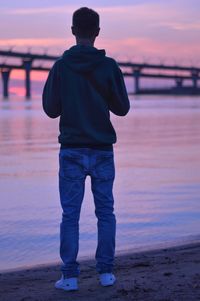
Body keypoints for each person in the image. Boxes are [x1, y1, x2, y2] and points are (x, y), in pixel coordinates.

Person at [42, 7, 130, 291]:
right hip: (102, 149)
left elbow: (50, 109)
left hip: (72, 151)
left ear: (72, 30)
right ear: (98, 32)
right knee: (105, 212)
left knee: (70, 214)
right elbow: (122, 108)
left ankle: (69, 277)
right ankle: (106, 272)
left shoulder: (61, 66)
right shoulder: (109, 66)